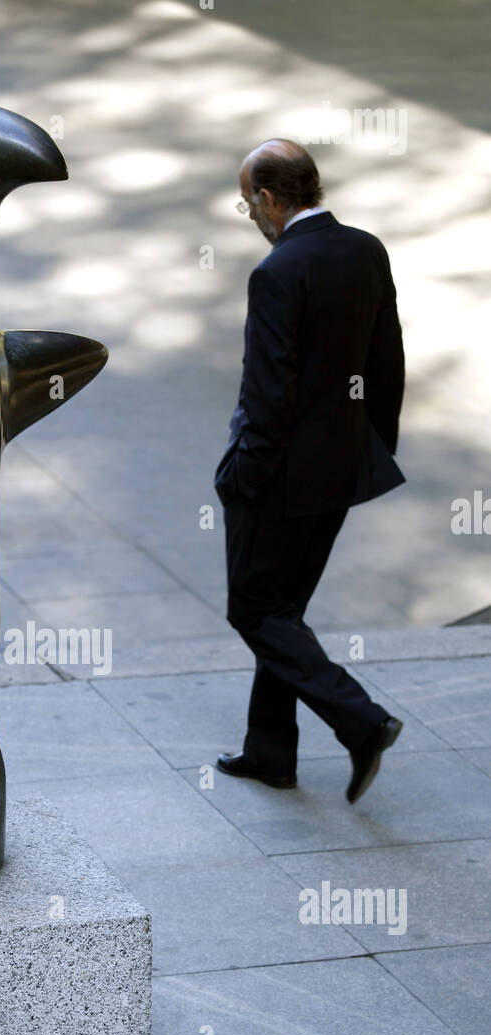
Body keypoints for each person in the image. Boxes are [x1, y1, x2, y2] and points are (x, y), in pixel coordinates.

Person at [215, 138, 406, 804]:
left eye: (249, 205)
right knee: (283, 609)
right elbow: (388, 362)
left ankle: (361, 721)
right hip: (341, 468)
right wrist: (372, 445)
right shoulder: (365, 249)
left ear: (269, 200)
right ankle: (271, 752)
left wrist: (241, 473)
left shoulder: (278, 271)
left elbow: (268, 391)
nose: (251, 216)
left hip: (278, 477)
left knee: (255, 611)